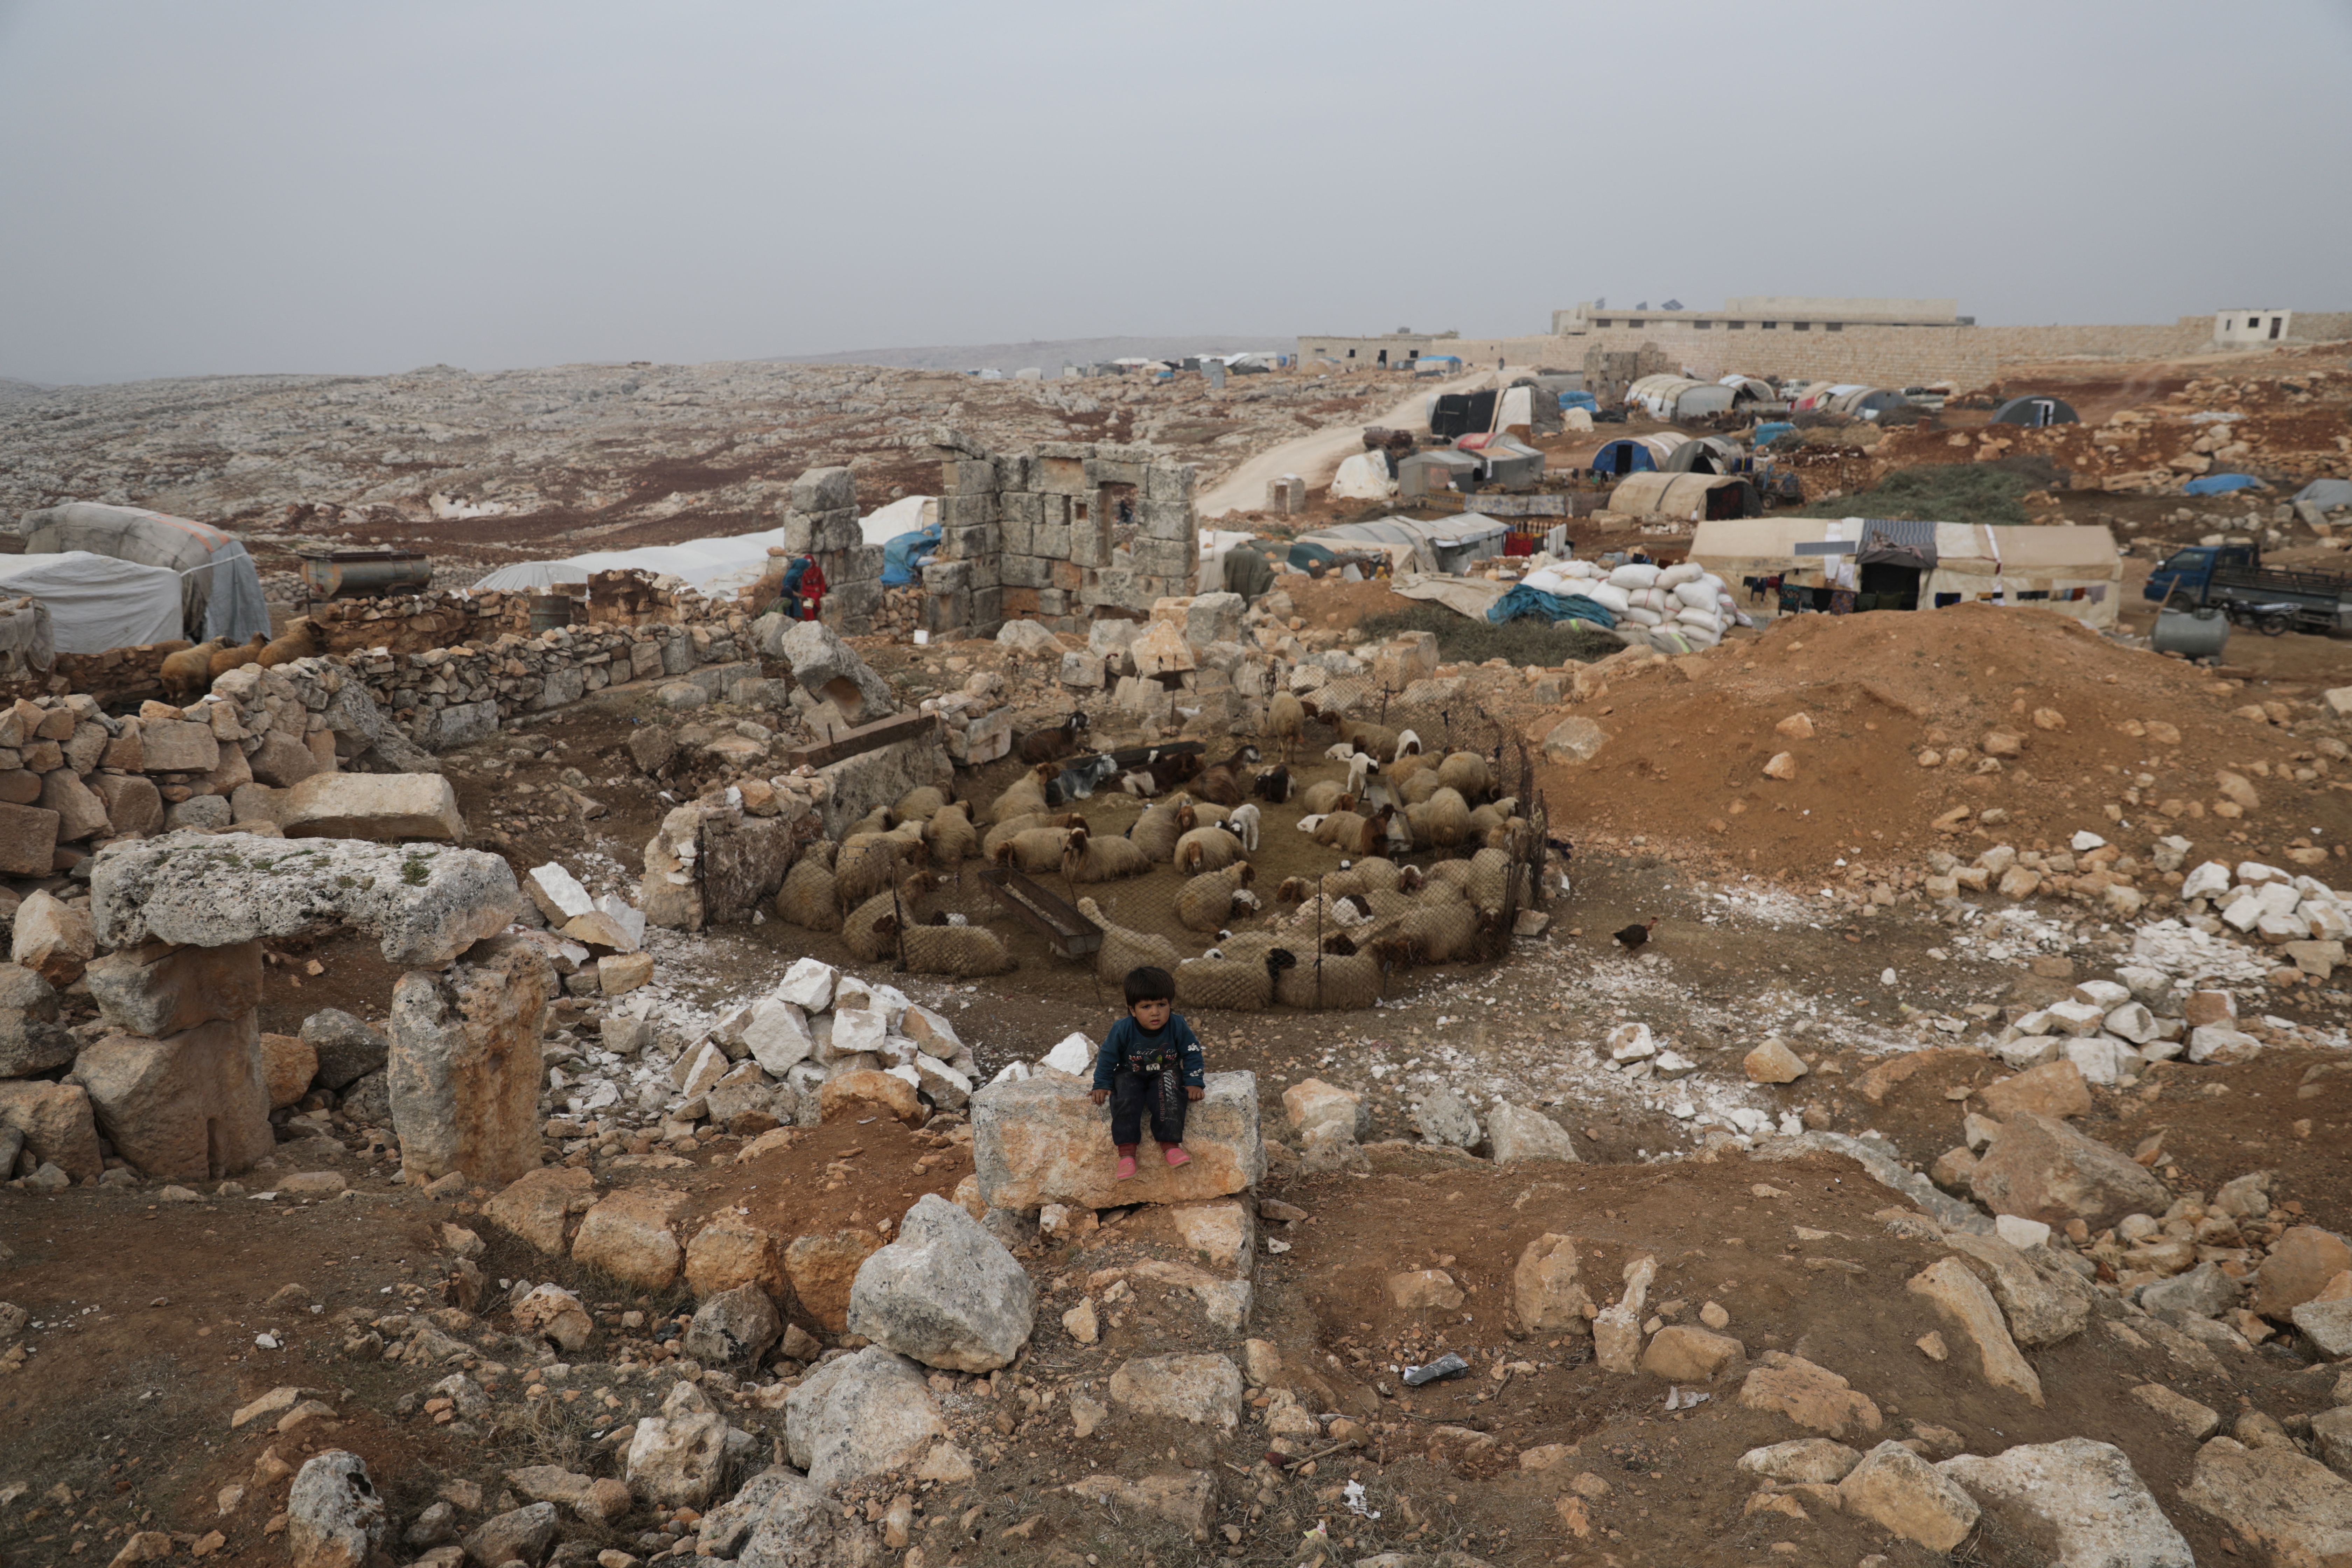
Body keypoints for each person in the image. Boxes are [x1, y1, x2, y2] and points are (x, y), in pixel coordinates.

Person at [1088, 966, 1205, 1180]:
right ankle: (1126, 1154)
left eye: (1162, 1004)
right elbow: (1107, 1056)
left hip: (1166, 1071)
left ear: (1170, 1004)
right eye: (1146, 1006)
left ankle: (1170, 1146)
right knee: (1124, 1097)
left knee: (1170, 1093)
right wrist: (1101, 1084)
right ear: (1132, 1009)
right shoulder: (1122, 1028)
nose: (1155, 1012)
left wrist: (1194, 1081)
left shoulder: (1178, 1025)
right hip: (1130, 1073)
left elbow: (1192, 1052)